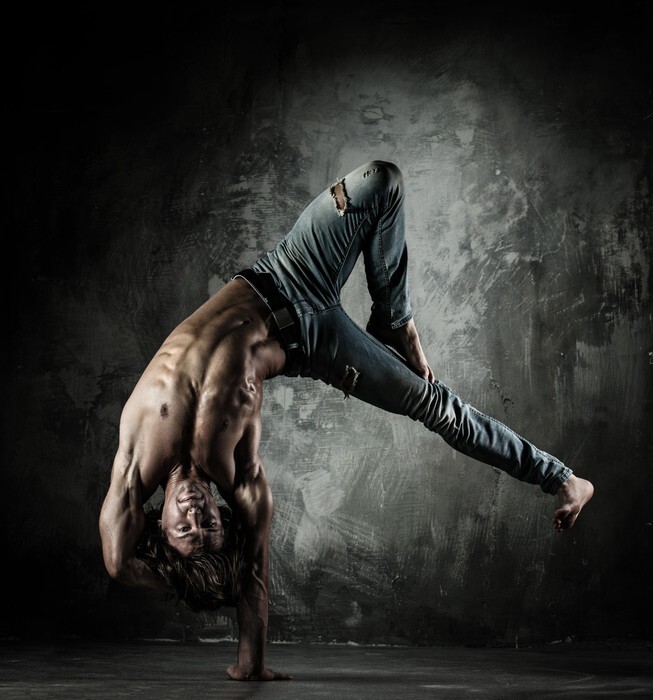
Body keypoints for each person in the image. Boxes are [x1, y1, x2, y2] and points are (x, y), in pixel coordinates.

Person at [99, 160, 594, 681]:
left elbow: (116, 561)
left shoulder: (136, 458)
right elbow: (255, 575)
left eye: (185, 528)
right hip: (315, 343)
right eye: (209, 527)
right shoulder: (239, 474)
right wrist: (250, 664)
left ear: (158, 526)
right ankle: (562, 478)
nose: (196, 515)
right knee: (436, 406)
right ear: (223, 519)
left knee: (383, 180)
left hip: (286, 269)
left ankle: (394, 319)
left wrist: (181, 575)